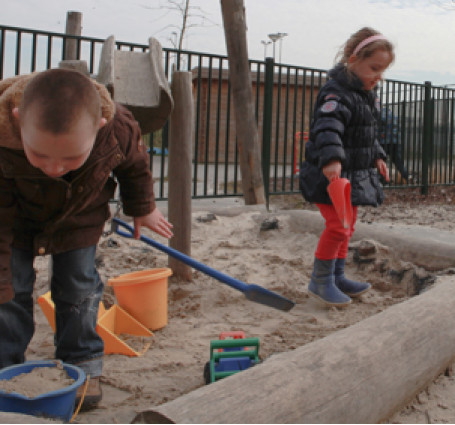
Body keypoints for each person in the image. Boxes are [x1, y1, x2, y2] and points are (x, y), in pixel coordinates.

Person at [0, 68, 173, 408]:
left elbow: (134, 164)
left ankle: (82, 361)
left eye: (70, 158)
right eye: (40, 155)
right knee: (10, 289)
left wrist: (143, 207)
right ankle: (7, 365)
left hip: (79, 215)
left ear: (99, 126)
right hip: (14, 219)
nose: (53, 168)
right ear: (19, 121)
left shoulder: (117, 127)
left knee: (78, 287)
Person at [299, 27, 393, 306]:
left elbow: (367, 132)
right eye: (373, 68)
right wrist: (331, 159)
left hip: (353, 174)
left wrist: (377, 156)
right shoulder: (336, 92)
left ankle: (336, 276)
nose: (378, 77)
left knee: (348, 227)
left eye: (382, 71)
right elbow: (328, 127)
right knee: (338, 227)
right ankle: (320, 281)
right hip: (330, 174)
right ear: (353, 59)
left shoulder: (367, 94)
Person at [378, 106, 409, 182]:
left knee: (382, 161)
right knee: (398, 161)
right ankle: (407, 177)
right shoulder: (390, 113)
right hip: (395, 140)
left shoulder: (378, 113)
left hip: (384, 141)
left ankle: (383, 180)